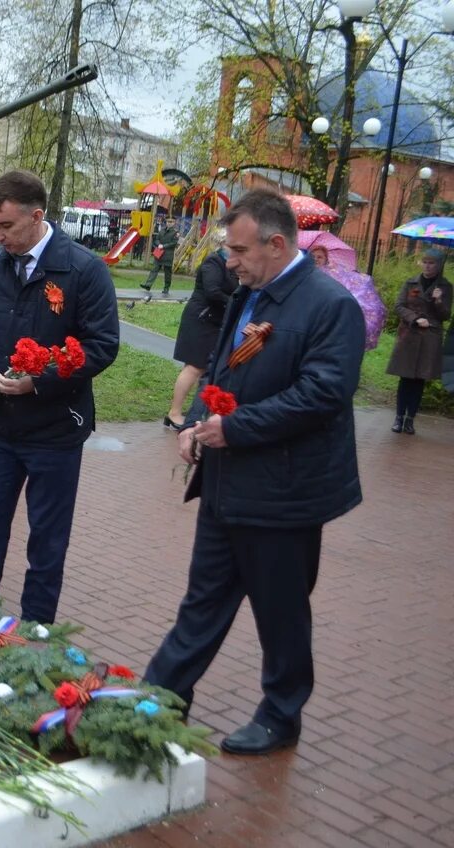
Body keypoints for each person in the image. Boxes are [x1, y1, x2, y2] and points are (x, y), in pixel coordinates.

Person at [144, 189, 365, 756]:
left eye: (239, 250)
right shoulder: (251, 293)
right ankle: (159, 699)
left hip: (286, 493)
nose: (229, 261)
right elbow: (219, 371)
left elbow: (323, 394)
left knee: (280, 611)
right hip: (227, 482)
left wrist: (233, 429)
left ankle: (281, 715)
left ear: (276, 242)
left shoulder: (328, 305)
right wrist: (197, 423)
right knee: (202, 602)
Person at [0, 169, 120, 624]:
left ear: (37, 216)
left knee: (47, 536)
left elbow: (102, 345)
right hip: (3, 426)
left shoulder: (84, 270)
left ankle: (36, 630)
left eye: (6, 226)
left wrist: (40, 380)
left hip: (55, 429)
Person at [164, 233, 238, 430]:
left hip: (212, 321)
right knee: (195, 366)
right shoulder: (213, 262)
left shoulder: (228, 265)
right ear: (222, 244)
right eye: (232, 244)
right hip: (201, 320)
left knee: (203, 367)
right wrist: (234, 303)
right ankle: (174, 413)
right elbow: (212, 291)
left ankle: (192, 411)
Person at [385, 249, 451, 435]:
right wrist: (414, 319)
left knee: (419, 380)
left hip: (430, 338)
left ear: (438, 266)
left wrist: (438, 301)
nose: (428, 266)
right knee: (405, 377)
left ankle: (410, 420)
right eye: (425, 262)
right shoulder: (411, 283)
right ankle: (398, 417)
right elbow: (399, 306)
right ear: (421, 263)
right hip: (409, 334)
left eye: (432, 263)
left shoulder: (445, 287)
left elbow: (445, 315)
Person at [140, 216, 178, 295]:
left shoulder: (175, 233)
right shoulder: (162, 230)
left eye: (171, 222)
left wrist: (164, 246)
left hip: (168, 254)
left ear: (174, 223)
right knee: (154, 269)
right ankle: (148, 285)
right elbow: (156, 239)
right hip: (159, 252)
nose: (169, 223)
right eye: (168, 221)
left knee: (167, 272)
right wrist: (159, 244)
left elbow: (173, 243)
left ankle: (166, 288)